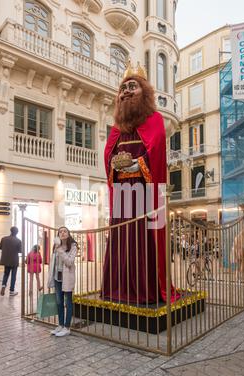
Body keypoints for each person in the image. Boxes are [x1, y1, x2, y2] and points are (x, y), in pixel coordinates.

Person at [102, 62, 179, 304]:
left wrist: (137, 165)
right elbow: (108, 154)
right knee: (122, 239)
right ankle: (118, 289)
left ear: (144, 92)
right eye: (123, 88)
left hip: (145, 193)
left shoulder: (155, 119)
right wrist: (115, 164)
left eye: (132, 86)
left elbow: (155, 150)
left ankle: (146, 291)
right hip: (123, 192)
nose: (125, 91)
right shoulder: (118, 128)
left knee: (143, 240)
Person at [47, 227, 77, 337]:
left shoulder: (73, 246)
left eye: (65, 231)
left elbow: (69, 262)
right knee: (59, 302)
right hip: (57, 278)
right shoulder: (55, 247)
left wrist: (59, 249)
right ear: (58, 234)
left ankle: (67, 327)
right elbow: (53, 263)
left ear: (68, 234)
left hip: (67, 279)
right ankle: (60, 325)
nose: (62, 233)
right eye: (60, 231)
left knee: (68, 302)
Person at [0, 226, 22, 296]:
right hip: (14, 260)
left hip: (6, 260)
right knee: (13, 276)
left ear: (10, 231)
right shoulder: (18, 241)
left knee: (6, 274)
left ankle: (3, 286)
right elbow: (20, 251)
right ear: (17, 232)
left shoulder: (4, 239)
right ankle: (12, 291)